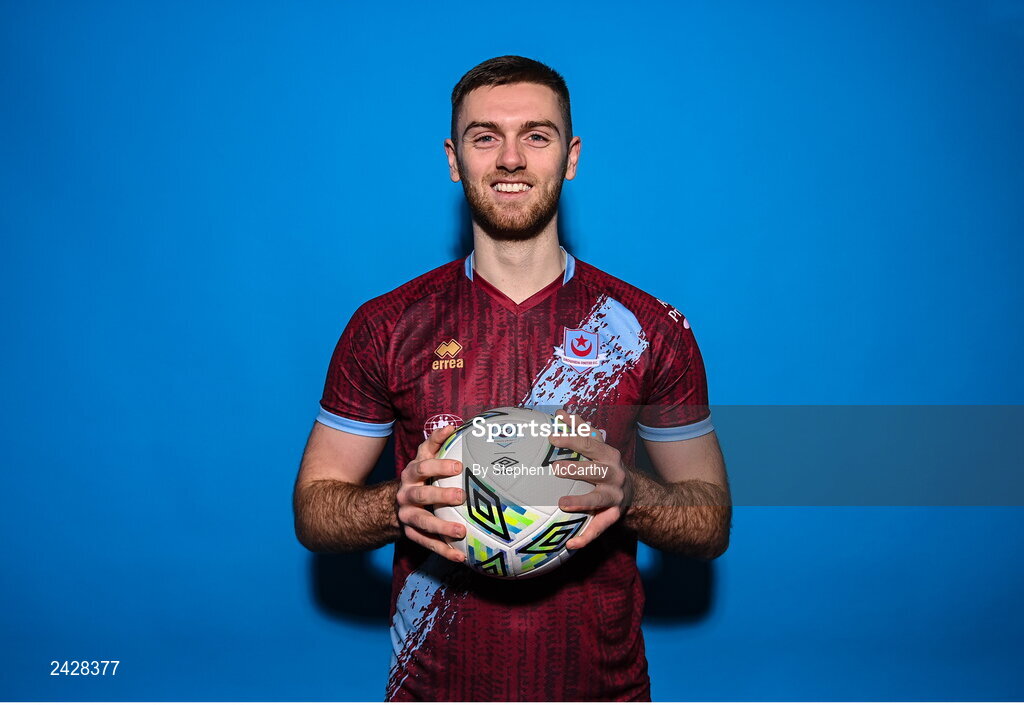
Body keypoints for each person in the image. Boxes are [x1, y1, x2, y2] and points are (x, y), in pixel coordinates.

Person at [293, 55, 731, 701]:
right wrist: (397, 504)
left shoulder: (646, 329)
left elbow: (711, 518)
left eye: (536, 134)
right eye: (485, 136)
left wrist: (630, 493)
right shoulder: (386, 325)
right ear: (453, 158)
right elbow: (314, 507)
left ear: (571, 155)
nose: (510, 159)